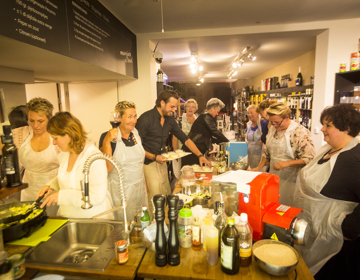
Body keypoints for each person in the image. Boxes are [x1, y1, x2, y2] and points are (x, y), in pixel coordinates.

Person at [293, 104, 360, 279]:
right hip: (312, 226)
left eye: (328, 125)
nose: (322, 129)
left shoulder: (355, 158)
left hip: (334, 241)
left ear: (345, 128)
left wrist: (346, 228)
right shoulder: (327, 150)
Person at [136, 90, 210, 213]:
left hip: (162, 162)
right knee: (155, 200)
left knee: (167, 195)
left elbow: (185, 139)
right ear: (162, 103)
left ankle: (166, 226)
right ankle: (153, 228)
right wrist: (154, 157)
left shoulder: (170, 120)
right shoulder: (145, 119)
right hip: (148, 164)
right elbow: (136, 147)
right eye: (172, 106)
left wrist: (200, 155)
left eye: (175, 107)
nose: (174, 110)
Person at [37, 112, 113, 219]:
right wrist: (51, 185)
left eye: (55, 138)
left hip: (92, 220)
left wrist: (61, 196)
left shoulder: (94, 158)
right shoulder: (64, 154)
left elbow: (96, 197)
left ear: (69, 134)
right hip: (69, 217)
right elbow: (71, 176)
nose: (53, 143)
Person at [250, 103, 315, 206]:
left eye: (277, 122)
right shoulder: (272, 129)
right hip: (274, 178)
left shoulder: (300, 132)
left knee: (287, 207)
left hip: (293, 181)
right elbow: (267, 153)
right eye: (271, 122)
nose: (274, 125)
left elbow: (310, 158)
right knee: (273, 205)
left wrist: (287, 163)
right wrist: (259, 168)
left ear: (287, 117)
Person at [99, 101, 147, 222]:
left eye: (135, 116)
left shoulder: (135, 134)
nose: (134, 120)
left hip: (139, 188)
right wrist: (106, 142)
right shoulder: (106, 137)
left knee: (141, 220)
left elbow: (139, 164)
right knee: (124, 224)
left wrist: (145, 186)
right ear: (118, 118)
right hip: (121, 192)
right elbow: (108, 168)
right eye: (129, 117)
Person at [16, 98, 60, 204]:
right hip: (28, 190)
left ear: (50, 118)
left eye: (40, 121)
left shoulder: (58, 135)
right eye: (31, 120)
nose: (35, 125)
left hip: (53, 190)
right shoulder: (21, 134)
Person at [182, 98, 229, 167]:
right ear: (212, 109)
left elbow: (209, 136)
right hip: (192, 152)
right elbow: (215, 132)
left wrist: (222, 142)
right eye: (217, 111)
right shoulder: (206, 116)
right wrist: (228, 142)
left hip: (194, 151)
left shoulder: (204, 115)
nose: (217, 113)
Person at [171, 98, 198, 190]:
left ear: (195, 109)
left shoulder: (198, 120)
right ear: (185, 108)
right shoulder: (179, 120)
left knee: (195, 171)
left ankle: (194, 189)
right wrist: (175, 151)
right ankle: (184, 190)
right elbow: (175, 136)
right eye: (189, 106)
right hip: (183, 152)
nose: (191, 108)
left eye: (193, 107)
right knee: (184, 173)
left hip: (195, 151)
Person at [245, 104, 267, 168]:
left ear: (257, 113)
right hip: (250, 156)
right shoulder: (248, 125)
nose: (249, 115)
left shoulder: (263, 124)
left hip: (261, 157)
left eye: (251, 113)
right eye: (248, 113)